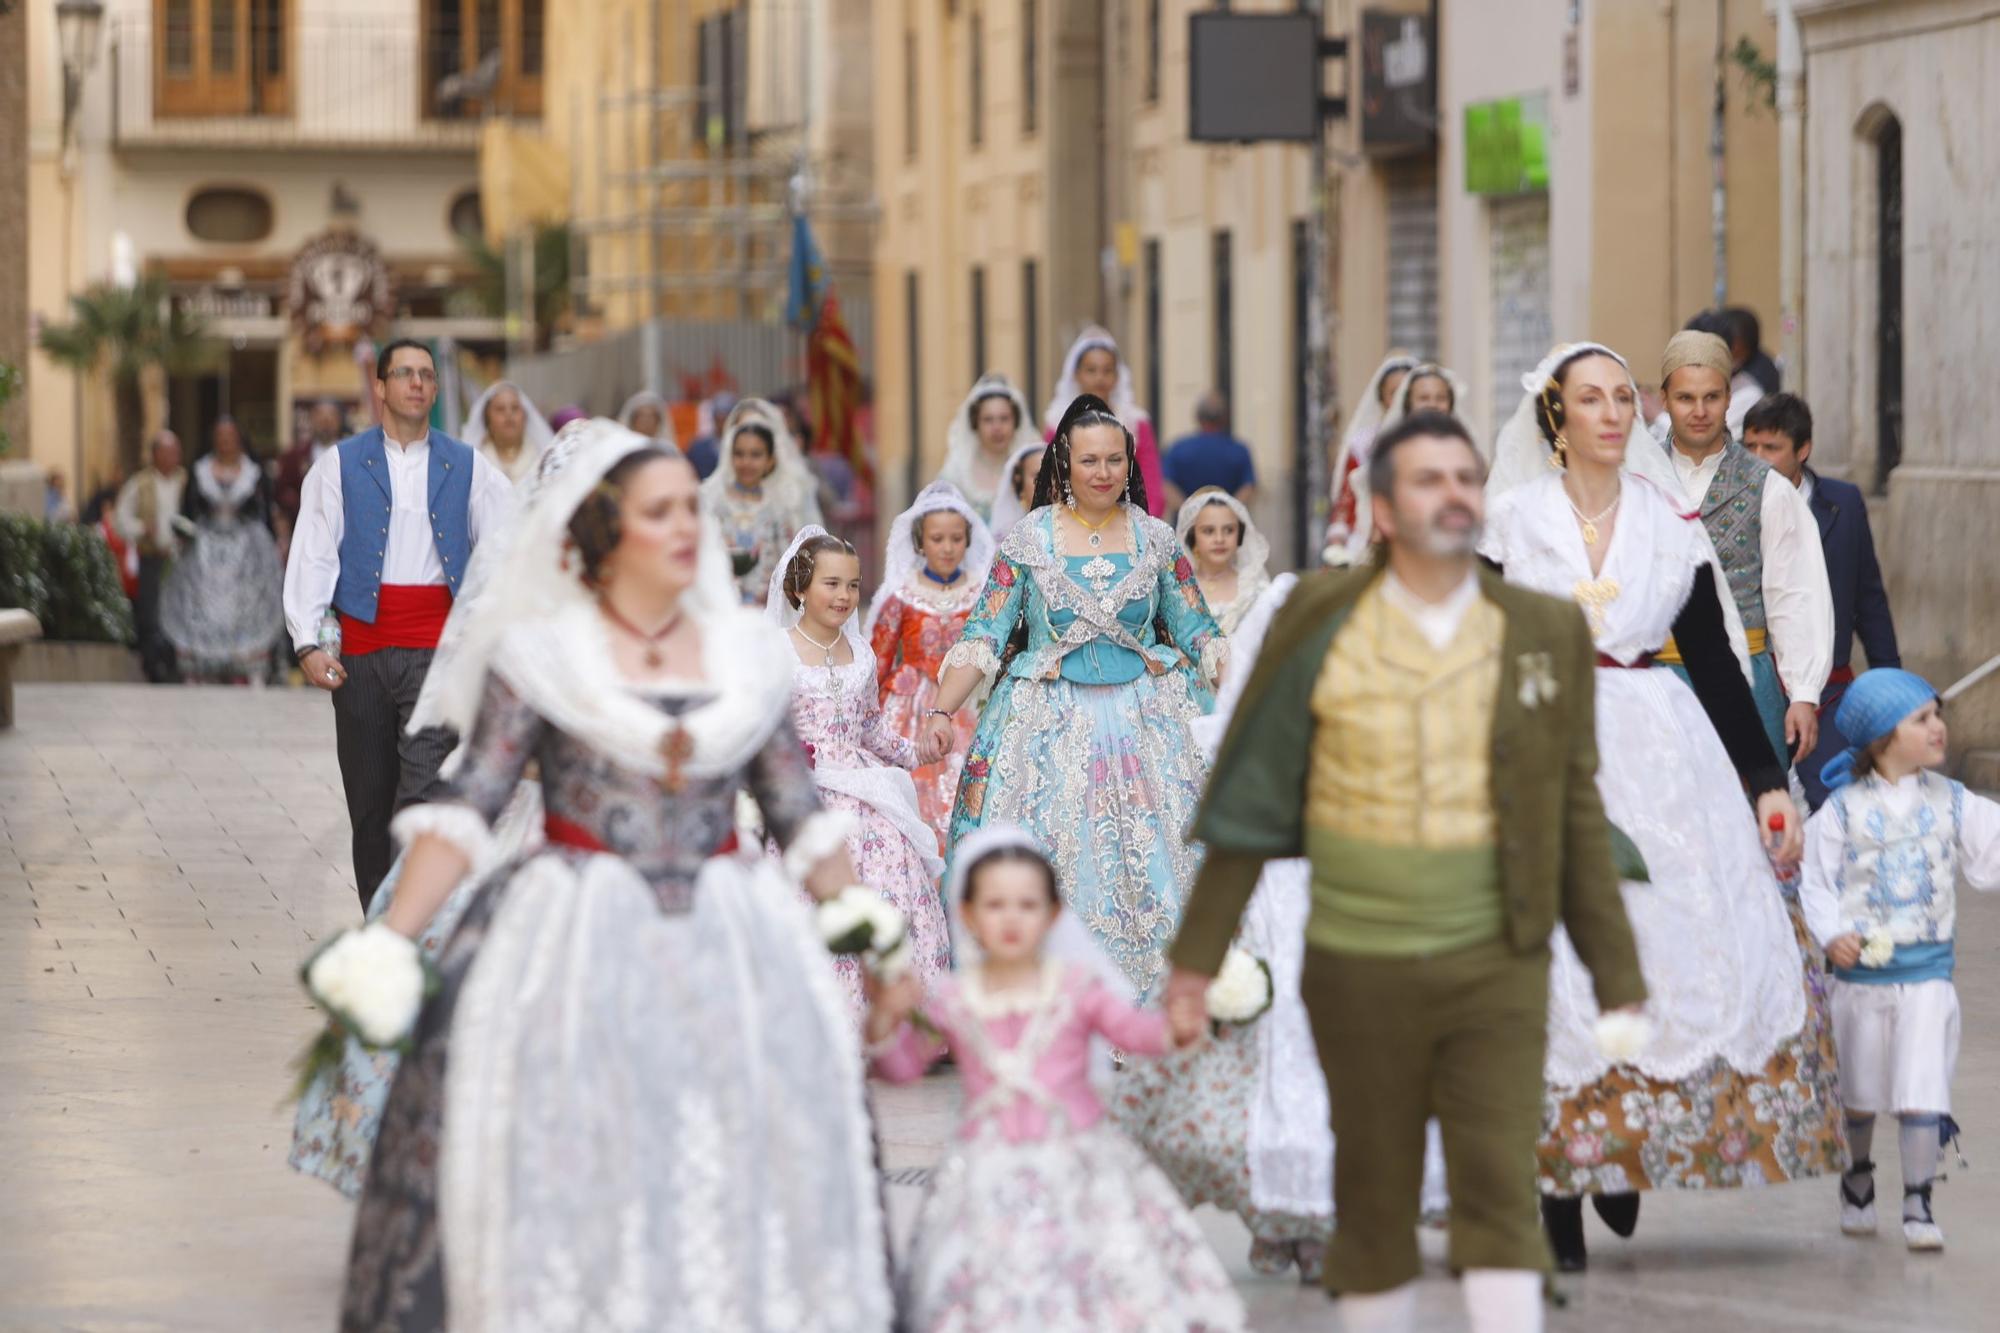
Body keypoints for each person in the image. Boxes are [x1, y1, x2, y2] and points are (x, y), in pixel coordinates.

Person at [336, 425, 892, 1330]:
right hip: (578, 938)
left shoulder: (751, 659)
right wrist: (387, 943)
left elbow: (798, 816)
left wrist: (879, 944)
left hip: (729, 940)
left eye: (692, 510)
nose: (689, 528)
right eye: (660, 511)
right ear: (602, 531)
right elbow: (469, 802)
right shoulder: (544, 655)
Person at [1161, 411, 1647, 1333]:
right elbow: (1252, 792)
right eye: (1429, 479)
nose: (1455, 494)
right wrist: (1196, 961)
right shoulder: (1316, 615)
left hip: (1499, 957)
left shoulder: (1542, 628)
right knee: (1375, 1193)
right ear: (1381, 508)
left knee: (1500, 1187)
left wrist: (1618, 974)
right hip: (1358, 955)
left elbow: (1572, 808)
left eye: (1467, 477)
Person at [1483, 344, 1843, 1270]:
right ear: (1556, 419)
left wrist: (1766, 782)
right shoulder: (1511, 524)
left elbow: (1718, 669)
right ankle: (1556, 1177)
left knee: (1654, 945)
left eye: (1619, 397)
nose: (1612, 412)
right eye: (1589, 399)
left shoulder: (1669, 523)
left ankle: (1619, 1149)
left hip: (1655, 746)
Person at [288, 425, 592, 1199]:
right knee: (378, 803)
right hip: (528, 830)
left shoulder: (673, 625)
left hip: (636, 879)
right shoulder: (522, 614)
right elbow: (482, 787)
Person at [866, 825, 1245, 1332]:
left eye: (1027, 905)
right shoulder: (952, 998)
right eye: (995, 905)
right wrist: (884, 1022)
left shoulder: (1076, 987)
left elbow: (1135, 1034)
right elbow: (902, 1069)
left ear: (1053, 914)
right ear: (968, 914)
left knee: (1097, 1274)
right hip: (986, 1170)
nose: (1012, 919)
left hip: (1077, 1160)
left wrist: (1177, 1029)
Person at [922, 394, 1225, 998]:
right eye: (1090, 461)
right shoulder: (1029, 540)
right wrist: (939, 709)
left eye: (1115, 460)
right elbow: (986, 632)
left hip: (1148, 718)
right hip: (1047, 723)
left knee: (1161, 859)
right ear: (1065, 462)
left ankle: (1161, 999)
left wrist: (1238, 676)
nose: (1103, 473)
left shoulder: (1157, 539)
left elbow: (1197, 630)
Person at [1110, 571, 1337, 1283]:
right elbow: (1232, 845)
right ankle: (1287, 1216)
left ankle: (1326, 1212)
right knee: (1278, 1060)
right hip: (1278, 902)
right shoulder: (1255, 735)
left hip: (1348, 904)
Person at [283, 339, 514, 911]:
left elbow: (507, 550)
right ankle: (378, 924)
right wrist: (308, 640)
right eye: (404, 374)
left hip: (438, 658)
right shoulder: (337, 465)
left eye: (426, 376)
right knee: (368, 804)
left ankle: (411, 924)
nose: (417, 383)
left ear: (435, 391)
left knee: (422, 798)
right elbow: (313, 554)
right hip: (358, 656)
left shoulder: (470, 467)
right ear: (380, 387)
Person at [1802, 671, 2000, 1253]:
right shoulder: (1842, 810)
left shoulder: (1953, 802)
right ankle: (1858, 1176)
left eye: (1937, 715)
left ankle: (1919, 1199)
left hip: (1927, 977)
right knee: (1859, 1092)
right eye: (1922, 719)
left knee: (1923, 1089)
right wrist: (1833, 931)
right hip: (1860, 981)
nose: (1939, 727)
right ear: (1881, 737)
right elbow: (1816, 880)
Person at [766, 525, 949, 1018]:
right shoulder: (776, 652)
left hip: (865, 785)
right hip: (809, 791)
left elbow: (870, 728)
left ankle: (893, 1018)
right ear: (800, 587)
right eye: (832, 583)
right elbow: (764, 732)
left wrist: (916, 754)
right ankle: (818, 1015)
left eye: (852, 584)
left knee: (893, 877)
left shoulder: (861, 653)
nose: (845, 595)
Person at [1655, 329, 1833, 770]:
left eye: (1711, 397)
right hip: (1655, 685)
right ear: (1664, 399)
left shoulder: (1767, 486)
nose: (1699, 411)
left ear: (1729, 398)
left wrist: (1804, 693)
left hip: (1746, 678)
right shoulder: (1636, 481)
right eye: (1685, 398)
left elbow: (1795, 591)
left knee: (1753, 819)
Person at [1744, 392, 1901, 810]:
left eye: (1771, 448)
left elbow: (1869, 598)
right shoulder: (1731, 504)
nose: (1758, 459)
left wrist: (1892, 688)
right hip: (1756, 681)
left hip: (1828, 687)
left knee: (1835, 801)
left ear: (1803, 450)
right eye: (1750, 447)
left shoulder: (1843, 503)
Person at [866, 481, 997, 845]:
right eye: (937, 539)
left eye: (956, 538)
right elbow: (878, 659)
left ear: (968, 540)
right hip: (911, 705)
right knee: (913, 793)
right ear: (921, 542)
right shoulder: (902, 595)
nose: (947, 547)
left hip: (968, 702)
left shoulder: (982, 592)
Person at [158, 417, 284, 683]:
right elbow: (188, 510)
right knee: (205, 605)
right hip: (206, 550)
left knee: (246, 604)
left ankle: (247, 659)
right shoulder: (201, 470)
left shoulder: (254, 471)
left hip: (246, 550)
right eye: (220, 437)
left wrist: (272, 545)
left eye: (230, 437)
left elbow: (265, 512)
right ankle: (201, 661)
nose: (225, 442)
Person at [1337, 363, 1472, 563]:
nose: (1433, 405)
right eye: (1424, 398)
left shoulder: (1467, 452)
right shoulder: (1390, 453)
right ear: (1409, 404)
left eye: (1440, 398)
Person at [701, 397, 823, 603]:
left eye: (756, 455)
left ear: (770, 460)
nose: (746, 462)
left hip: (767, 607)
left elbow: (788, 560)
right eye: (739, 454)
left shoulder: (779, 506)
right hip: (722, 603)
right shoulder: (713, 503)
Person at [1042, 327, 1167, 518]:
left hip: (1128, 523)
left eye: (1107, 371)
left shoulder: (1135, 422)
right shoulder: (1057, 422)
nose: (1099, 378)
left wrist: (1143, 527)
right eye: (1091, 370)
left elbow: (1151, 483)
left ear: (1117, 376)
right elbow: (1052, 481)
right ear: (1076, 374)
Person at [1324, 353, 1418, 560]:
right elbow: (1348, 496)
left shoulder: (1432, 440)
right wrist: (1338, 542)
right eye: (1394, 392)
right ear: (1382, 397)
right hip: (1369, 539)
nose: (1400, 399)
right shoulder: (1364, 444)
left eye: (1406, 391)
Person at [115, 430, 189, 683]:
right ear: (156, 454)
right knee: (150, 613)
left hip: (181, 560)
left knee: (179, 611)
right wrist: (141, 528)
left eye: (176, 452)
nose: (173, 457)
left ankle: (175, 664)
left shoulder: (186, 481)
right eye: (168, 452)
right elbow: (121, 519)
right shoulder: (140, 482)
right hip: (152, 557)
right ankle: (153, 665)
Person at [936, 373, 1043, 524]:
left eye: (1004, 418)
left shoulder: (1029, 466)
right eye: (988, 420)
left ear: (1016, 421)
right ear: (975, 423)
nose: (997, 428)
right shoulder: (958, 470)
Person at [1176, 488, 1271, 637]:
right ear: (1192, 536)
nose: (1219, 539)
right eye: (1208, 531)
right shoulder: (1176, 588)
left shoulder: (1254, 587)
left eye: (1228, 530)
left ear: (1239, 534)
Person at [1160, 391, 1256, 514]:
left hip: (1185, 529)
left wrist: (1189, 513)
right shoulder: (1239, 450)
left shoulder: (1178, 449)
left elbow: (1167, 486)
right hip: (1227, 527)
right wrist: (1227, 512)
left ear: (1197, 417)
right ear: (1225, 417)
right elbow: (1248, 488)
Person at [276, 399, 347, 556]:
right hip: (304, 535)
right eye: (321, 417)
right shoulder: (294, 456)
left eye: (331, 417)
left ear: (339, 420)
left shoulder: (352, 455)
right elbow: (281, 494)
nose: (326, 422)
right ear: (312, 420)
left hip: (345, 536)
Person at [461, 380, 556, 484]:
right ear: (487, 419)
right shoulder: (476, 462)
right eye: (500, 409)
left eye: (515, 408)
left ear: (525, 417)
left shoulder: (542, 458)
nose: (508, 414)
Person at [986, 439, 1045, 543]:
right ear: (1019, 482)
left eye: (1054, 475)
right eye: (1039, 476)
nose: (1049, 483)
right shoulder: (1006, 540)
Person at [616, 388, 683, 450]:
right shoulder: (624, 449)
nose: (646, 421)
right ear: (633, 421)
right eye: (642, 416)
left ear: (658, 421)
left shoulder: (667, 450)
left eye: (650, 417)